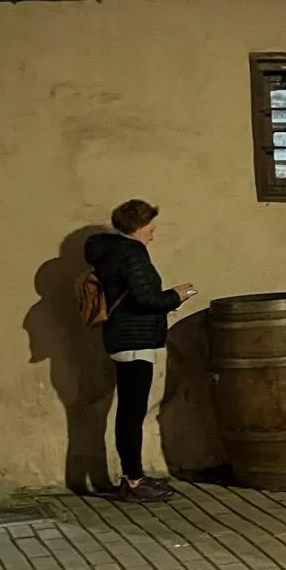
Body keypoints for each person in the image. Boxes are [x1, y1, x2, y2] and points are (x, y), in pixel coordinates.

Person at [84, 199, 196, 504]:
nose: (153, 234)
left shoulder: (112, 252)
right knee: (132, 412)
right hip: (134, 340)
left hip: (124, 338)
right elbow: (146, 299)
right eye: (150, 228)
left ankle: (133, 477)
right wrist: (178, 296)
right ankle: (133, 481)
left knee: (129, 410)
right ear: (137, 227)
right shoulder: (131, 253)